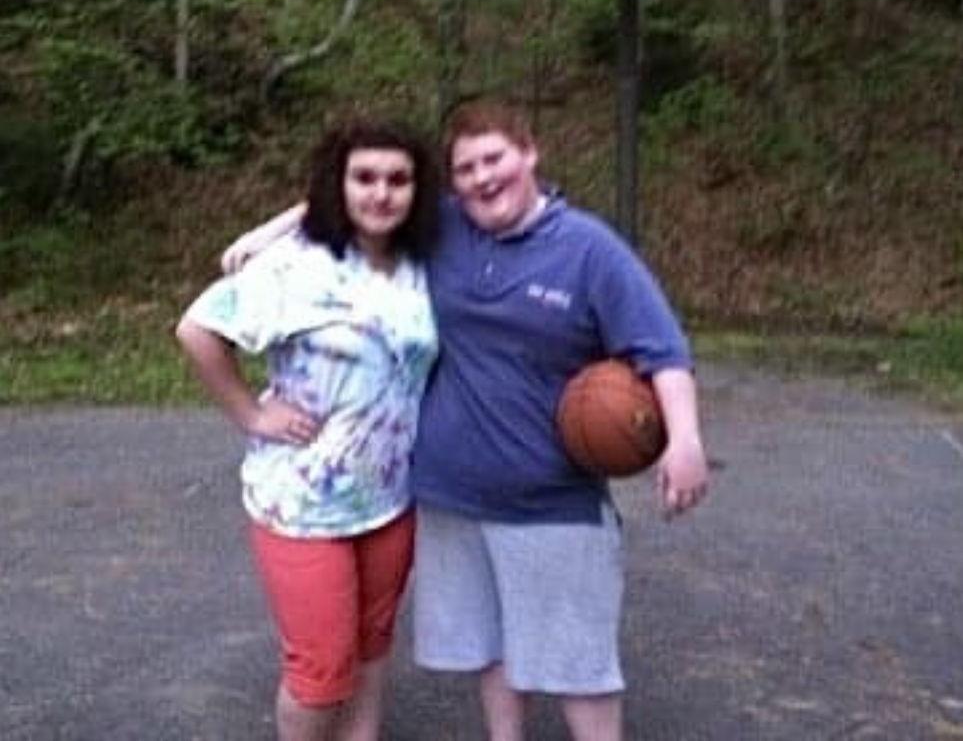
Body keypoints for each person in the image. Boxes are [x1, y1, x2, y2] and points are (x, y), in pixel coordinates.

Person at [221, 101, 709, 741]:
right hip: (452, 499)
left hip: (551, 501)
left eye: (494, 159)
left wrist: (686, 440)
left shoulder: (589, 249)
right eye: (466, 168)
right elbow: (362, 195)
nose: (482, 178)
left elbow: (661, 350)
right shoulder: (445, 230)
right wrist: (275, 231)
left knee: (580, 666)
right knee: (491, 652)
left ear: (529, 152)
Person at [177, 118, 439, 741]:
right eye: (364, 178)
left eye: (397, 179)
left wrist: (281, 215)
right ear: (338, 185)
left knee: (372, 651)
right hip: (301, 503)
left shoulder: (421, 262)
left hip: (389, 500)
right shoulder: (293, 267)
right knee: (321, 670)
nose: (381, 193)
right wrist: (251, 413)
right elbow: (197, 329)